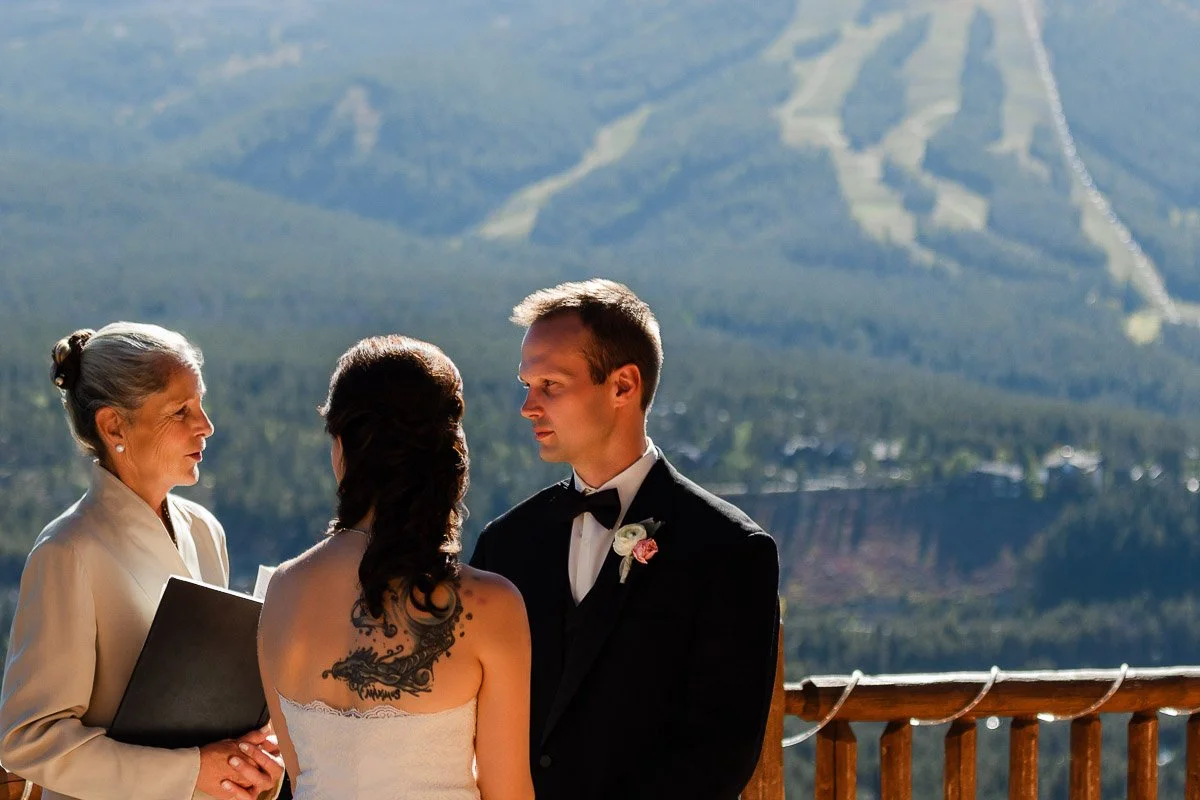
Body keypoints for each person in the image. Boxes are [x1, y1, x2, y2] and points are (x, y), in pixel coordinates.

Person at [470, 279, 781, 799]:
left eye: (550, 384)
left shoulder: (729, 550)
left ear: (622, 386)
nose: (528, 405)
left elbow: (719, 754)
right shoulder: (505, 544)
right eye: (526, 384)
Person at [0, 323, 284, 800]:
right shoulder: (67, 551)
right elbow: (29, 741)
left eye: (201, 404)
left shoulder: (203, 530)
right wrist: (189, 771)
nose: (206, 425)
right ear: (114, 426)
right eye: (181, 411)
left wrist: (250, 759)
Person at [257, 335, 534, 800]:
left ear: (342, 447)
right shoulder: (491, 606)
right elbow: (509, 794)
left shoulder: (283, 590)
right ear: (449, 457)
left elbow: (301, 774)